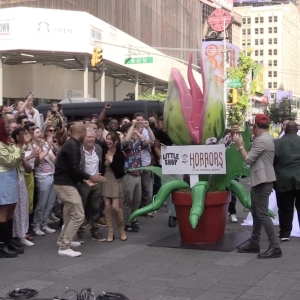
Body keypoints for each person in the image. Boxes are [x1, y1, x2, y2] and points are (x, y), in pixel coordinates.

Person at [53, 122, 105, 257]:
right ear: (81, 131)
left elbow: (71, 168)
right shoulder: (73, 146)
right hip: (64, 184)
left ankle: (63, 240)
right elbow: (75, 168)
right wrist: (90, 177)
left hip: (66, 183)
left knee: (74, 213)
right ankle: (64, 246)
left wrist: (85, 179)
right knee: (78, 215)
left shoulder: (72, 144)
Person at [233, 114, 282, 259]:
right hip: (260, 180)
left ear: (255, 126)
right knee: (256, 212)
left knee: (261, 214)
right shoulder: (265, 139)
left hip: (262, 181)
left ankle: (274, 246)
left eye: (253, 126)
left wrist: (239, 145)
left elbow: (248, 159)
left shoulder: (262, 141)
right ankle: (254, 242)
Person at [121, 120, 155, 232]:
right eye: (132, 131)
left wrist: (148, 127)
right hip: (129, 175)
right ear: (126, 132)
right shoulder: (124, 143)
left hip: (138, 175)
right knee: (128, 200)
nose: (135, 132)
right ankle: (126, 222)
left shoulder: (138, 143)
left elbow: (152, 140)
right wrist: (133, 126)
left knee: (136, 200)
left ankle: (133, 219)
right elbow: (126, 140)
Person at [0, 118, 25, 258]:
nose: (8, 128)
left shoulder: (5, 142)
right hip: (3, 177)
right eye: (5, 126)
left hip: (10, 177)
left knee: (10, 210)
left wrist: (19, 147)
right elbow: (11, 161)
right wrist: (20, 146)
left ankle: (9, 241)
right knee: (3, 210)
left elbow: (15, 157)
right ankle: (2, 244)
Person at [77, 128, 106, 243]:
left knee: (95, 207)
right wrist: (84, 179)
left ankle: (95, 230)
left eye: (92, 137)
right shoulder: (79, 150)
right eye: (88, 137)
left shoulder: (98, 149)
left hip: (97, 182)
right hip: (84, 182)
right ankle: (79, 232)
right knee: (81, 208)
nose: (91, 139)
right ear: (84, 138)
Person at [274, 121, 300, 241]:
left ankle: (284, 233)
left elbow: (272, 161)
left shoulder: (277, 143)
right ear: (296, 130)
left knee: (285, 207)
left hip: (283, 179)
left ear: (285, 130)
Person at [11, 128, 37, 247]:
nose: (27, 136)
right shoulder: (14, 148)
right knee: (15, 210)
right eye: (24, 134)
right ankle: (15, 235)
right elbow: (14, 161)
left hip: (21, 179)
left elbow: (28, 168)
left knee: (23, 207)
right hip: (13, 180)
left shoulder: (23, 148)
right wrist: (29, 155)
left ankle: (22, 234)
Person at [31, 126, 57, 235]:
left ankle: (44, 224)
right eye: (36, 132)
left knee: (50, 203)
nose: (39, 134)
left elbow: (54, 160)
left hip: (51, 175)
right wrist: (47, 148)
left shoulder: (46, 145)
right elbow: (38, 160)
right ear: (32, 135)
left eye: (39, 132)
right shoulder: (32, 146)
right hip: (41, 177)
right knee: (41, 203)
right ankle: (36, 225)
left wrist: (59, 152)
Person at [101, 132, 126, 242]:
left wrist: (111, 162)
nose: (108, 141)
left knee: (116, 207)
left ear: (115, 141)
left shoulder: (120, 154)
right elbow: (101, 167)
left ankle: (121, 228)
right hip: (106, 179)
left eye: (110, 139)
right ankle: (110, 230)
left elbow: (120, 171)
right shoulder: (103, 151)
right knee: (107, 206)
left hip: (116, 179)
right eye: (107, 139)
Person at [134, 112, 154, 218]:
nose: (140, 121)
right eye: (138, 120)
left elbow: (148, 142)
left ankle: (147, 208)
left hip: (145, 162)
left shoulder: (146, 131)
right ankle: (137, 209)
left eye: (141, 119)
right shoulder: (131, 131)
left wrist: (143, 132)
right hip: (134, 164)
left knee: (146, 188)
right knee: (137, 189)